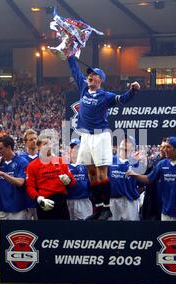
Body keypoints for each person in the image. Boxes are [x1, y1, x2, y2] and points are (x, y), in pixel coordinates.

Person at [67, 55, 140, 220]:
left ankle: (107, 208)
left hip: (100, 136)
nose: (89, 76)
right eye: (89, 75)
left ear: (100, 79)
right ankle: (98, 208)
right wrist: (69, 57)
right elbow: (74, 70)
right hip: (85, 136)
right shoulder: (84, 88)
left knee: (101, 174)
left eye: (93, 75)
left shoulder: (105, 96)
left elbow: (123, 99)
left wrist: (133, 90)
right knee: (91, 173)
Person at [128, 137, 176, 223]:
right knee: (167, 236)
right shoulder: (161, 164)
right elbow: (149, 179)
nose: (164, 150)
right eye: (164, 147)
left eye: (168, 147)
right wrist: (135, 175)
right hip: (167, 213)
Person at [26, 133, 76, 220]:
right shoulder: (32, 166)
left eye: (50, 144)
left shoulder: (61, 161)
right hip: (45, 202)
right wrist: (39, 199)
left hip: (61, 202)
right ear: (38, 147)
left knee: (65, 231)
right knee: (46, 232)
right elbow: (30, 187)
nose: (48, 146)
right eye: (45, 144)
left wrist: (68, 180)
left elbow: (73, 181)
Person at [0, 135, 29, 221]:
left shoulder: (22, 162)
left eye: (0, 148)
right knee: (3, 234)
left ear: (9, 147)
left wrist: (3, 174)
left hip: (17, 209)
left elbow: (20, 182)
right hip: (1, 208)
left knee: (17, 234)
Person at [109, 137, 142, 221]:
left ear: (133, 147)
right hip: (113, 201)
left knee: (130, 231)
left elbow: (141, 184)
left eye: (128, 141)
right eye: (123, 140)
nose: (124, 142)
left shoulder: (137, 163)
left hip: (129, 201)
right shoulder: (110, 160)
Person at [140, 138, 168, 221]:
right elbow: (145, 180)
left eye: (166, 147)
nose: (163, 150)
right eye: (161, 147)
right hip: (152, 201)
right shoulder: (153, 162)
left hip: (167, 202)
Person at [66, 138, 93, 220]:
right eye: (72, 147)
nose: (74, 150)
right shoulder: (64, 165)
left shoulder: (87, 165)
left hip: (83, 200)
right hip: (68, 200)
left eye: (77, 147)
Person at [20, 129, 39, 220]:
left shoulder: (43, 157)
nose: (34, 141)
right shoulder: (20, 158)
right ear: (25, 142)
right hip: (24, 200)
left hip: (40, 199)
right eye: (31, 139)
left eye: (35, 139)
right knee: (25, 230)